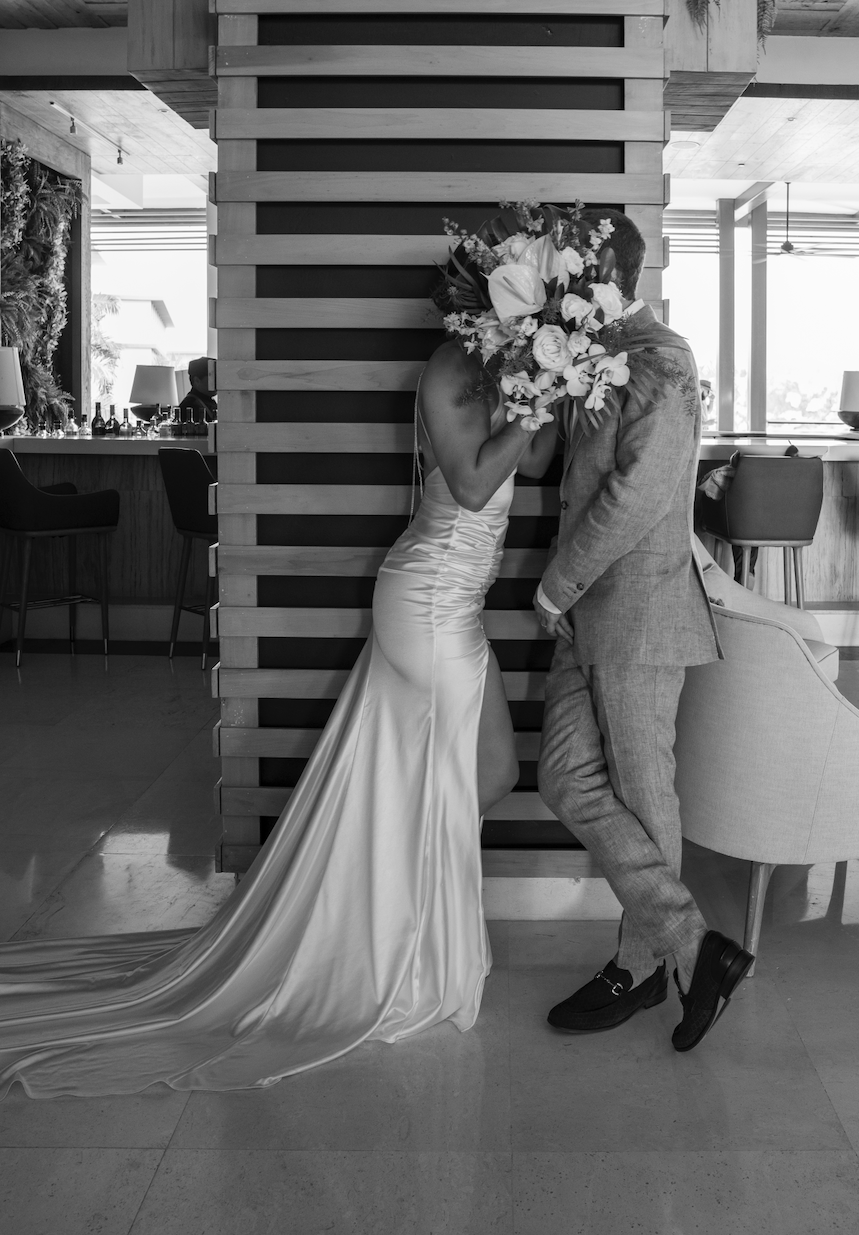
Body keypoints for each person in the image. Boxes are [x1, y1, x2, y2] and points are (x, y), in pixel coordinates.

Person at [0, 222, 556, 1097]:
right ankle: (402, 959)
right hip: (427, 596)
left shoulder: (510, 371)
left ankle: (377, 922)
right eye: (526, 293)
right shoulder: (450, 368)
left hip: (461, 601)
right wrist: (538, 397)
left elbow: (540, 456)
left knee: (485, 773)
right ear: (489, 297)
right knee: (467, 773)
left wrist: (554, 383)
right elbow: (479, 482)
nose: (532, 306)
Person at [533, 212, 754, 1053]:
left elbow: (638, 497)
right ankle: (692, 946)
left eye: (561, 272)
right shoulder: (590, 353)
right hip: (585, 614)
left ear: (604, 274)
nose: (554, 288)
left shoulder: (665, 360)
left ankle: (639, 965)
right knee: (563, 776)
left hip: (639, 614)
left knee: (642, 792)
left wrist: (556, 584)